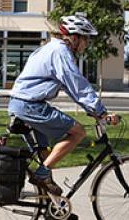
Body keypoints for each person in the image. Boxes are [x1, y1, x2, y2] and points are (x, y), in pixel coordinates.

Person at [8, 13, 118, 196]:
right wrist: (101, 112)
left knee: (45, 153)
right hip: (30, 105)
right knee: (78, 132)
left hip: (20, 104)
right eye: (86, 39)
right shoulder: (61, 52)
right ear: (74, 38)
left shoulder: (49, 48)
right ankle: (41, 176)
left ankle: (51, 203)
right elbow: (77, 84)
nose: (88, 43)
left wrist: (92, 110)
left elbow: (71, 87)